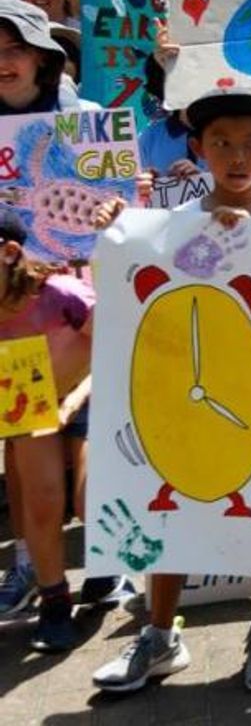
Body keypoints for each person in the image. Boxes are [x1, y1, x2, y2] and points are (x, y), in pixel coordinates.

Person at [91, 89, 251, 694]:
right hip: (182, 401)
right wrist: (114, 234)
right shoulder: (168, 226)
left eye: (249, 144)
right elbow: (129, 289)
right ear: (197, 148)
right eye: (220, 144)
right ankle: (159, 635)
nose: (236, 157)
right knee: (169, 508)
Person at [0, 206, 126, 651]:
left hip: (93, 394)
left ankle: (108, 565)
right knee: (42, 500)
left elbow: (116, 346)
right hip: (31, 405)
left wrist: (74, 400)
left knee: (89, 500)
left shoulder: (61, 295)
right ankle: (55, 603)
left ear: (10, 252)